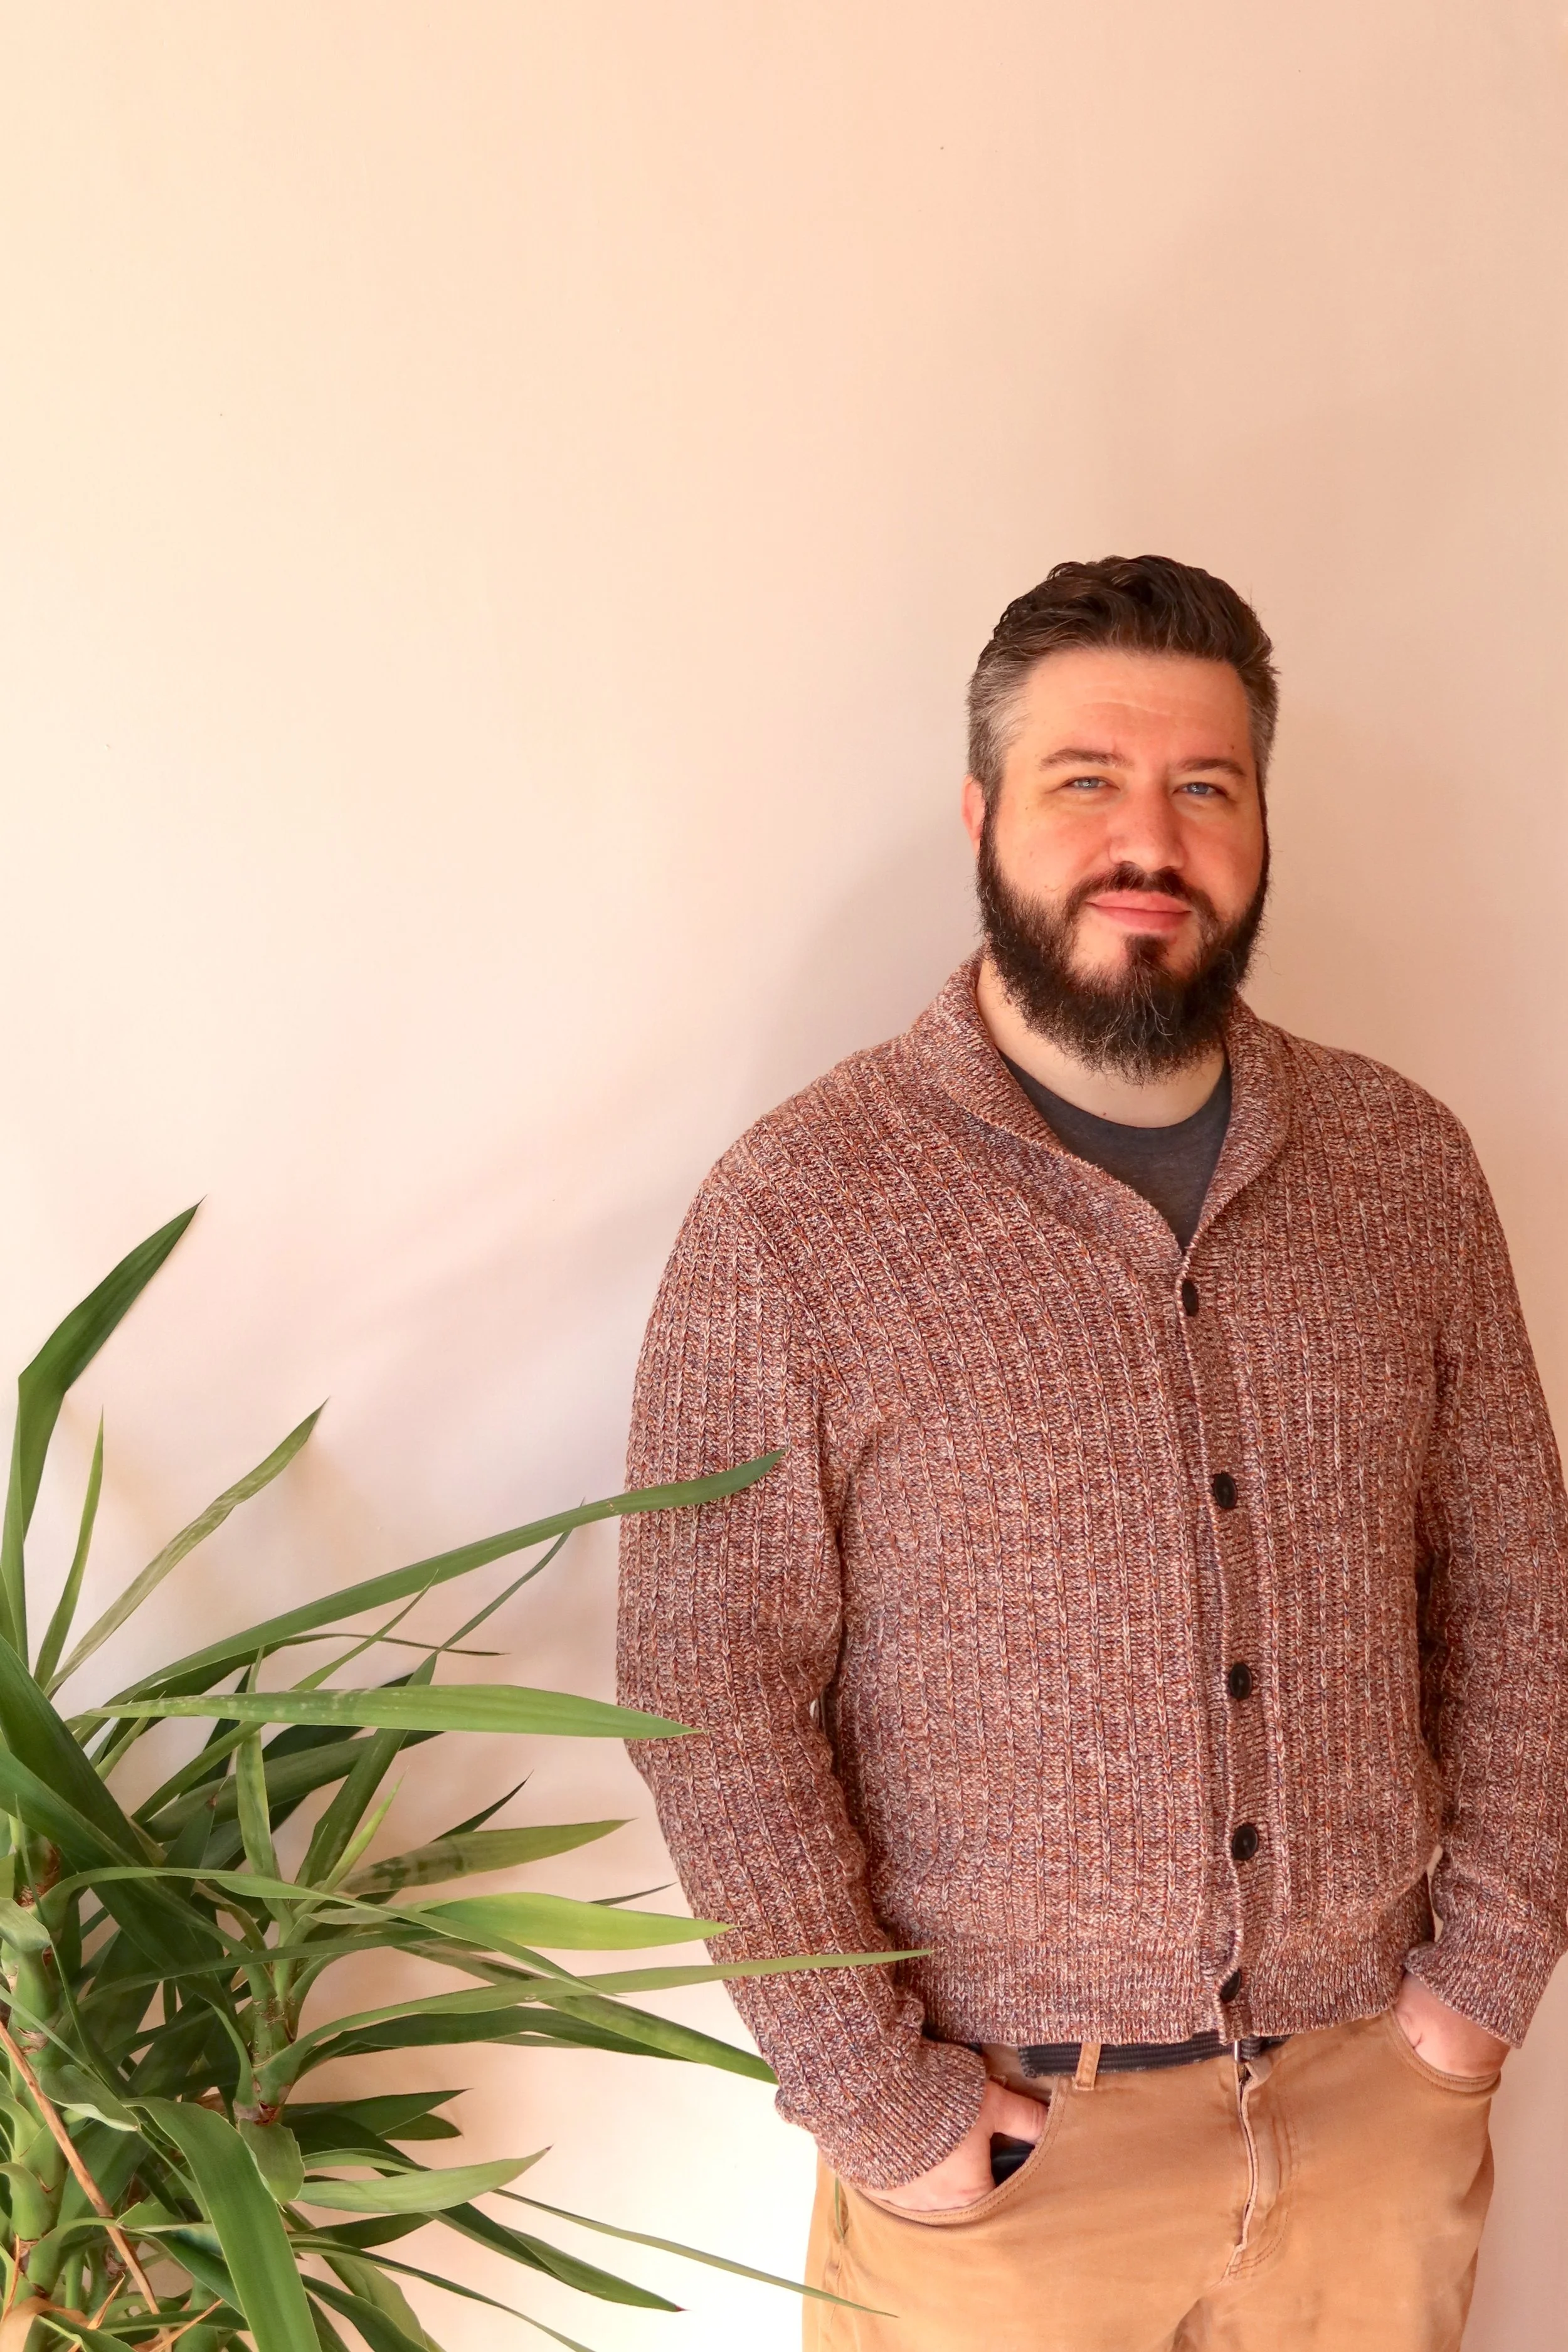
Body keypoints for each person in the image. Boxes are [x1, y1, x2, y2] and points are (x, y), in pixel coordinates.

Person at [616, 555, 1568, 2349]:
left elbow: (1521, 1592)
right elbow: (704, 1681)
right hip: (1000, 2179)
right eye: (1086, 782)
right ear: (981, 815)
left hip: (1370, 2127)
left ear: (1261, 825)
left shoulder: (1401, 1170)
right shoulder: (799, 1211)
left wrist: (1476, 1996)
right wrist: (878, 2108)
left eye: (1202, 787)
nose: (1149, 836)